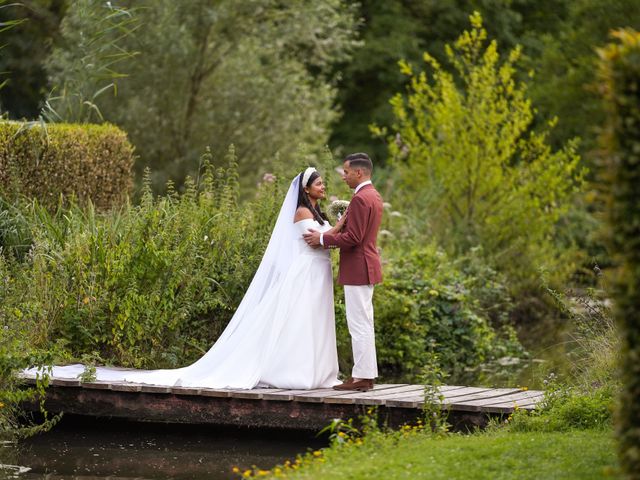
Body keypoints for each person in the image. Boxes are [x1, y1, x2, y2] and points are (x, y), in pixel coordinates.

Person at [25, 168, 343, 390]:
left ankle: (317, 371)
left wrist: (336, 222)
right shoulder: (302, 214)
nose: (323, 187)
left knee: (313, 323)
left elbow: (325, 235)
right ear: (305, 189)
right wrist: (344, 222)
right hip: (303, 276)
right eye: (319, 184)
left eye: (324, 184)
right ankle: (294, 371)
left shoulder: (318, 213)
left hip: (317, 275)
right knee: (299, 323)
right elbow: (315, 239)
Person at [303, 153, 383, 392]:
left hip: (359, 267)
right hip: (367, 265)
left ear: (359, 172)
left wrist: (322, 238)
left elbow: (354, 238)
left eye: (346, 172)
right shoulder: (374, 195)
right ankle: (364, 376)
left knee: (358, 323)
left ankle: (361, 378)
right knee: (364, 322)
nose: (343, 176)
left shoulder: (360, 198)